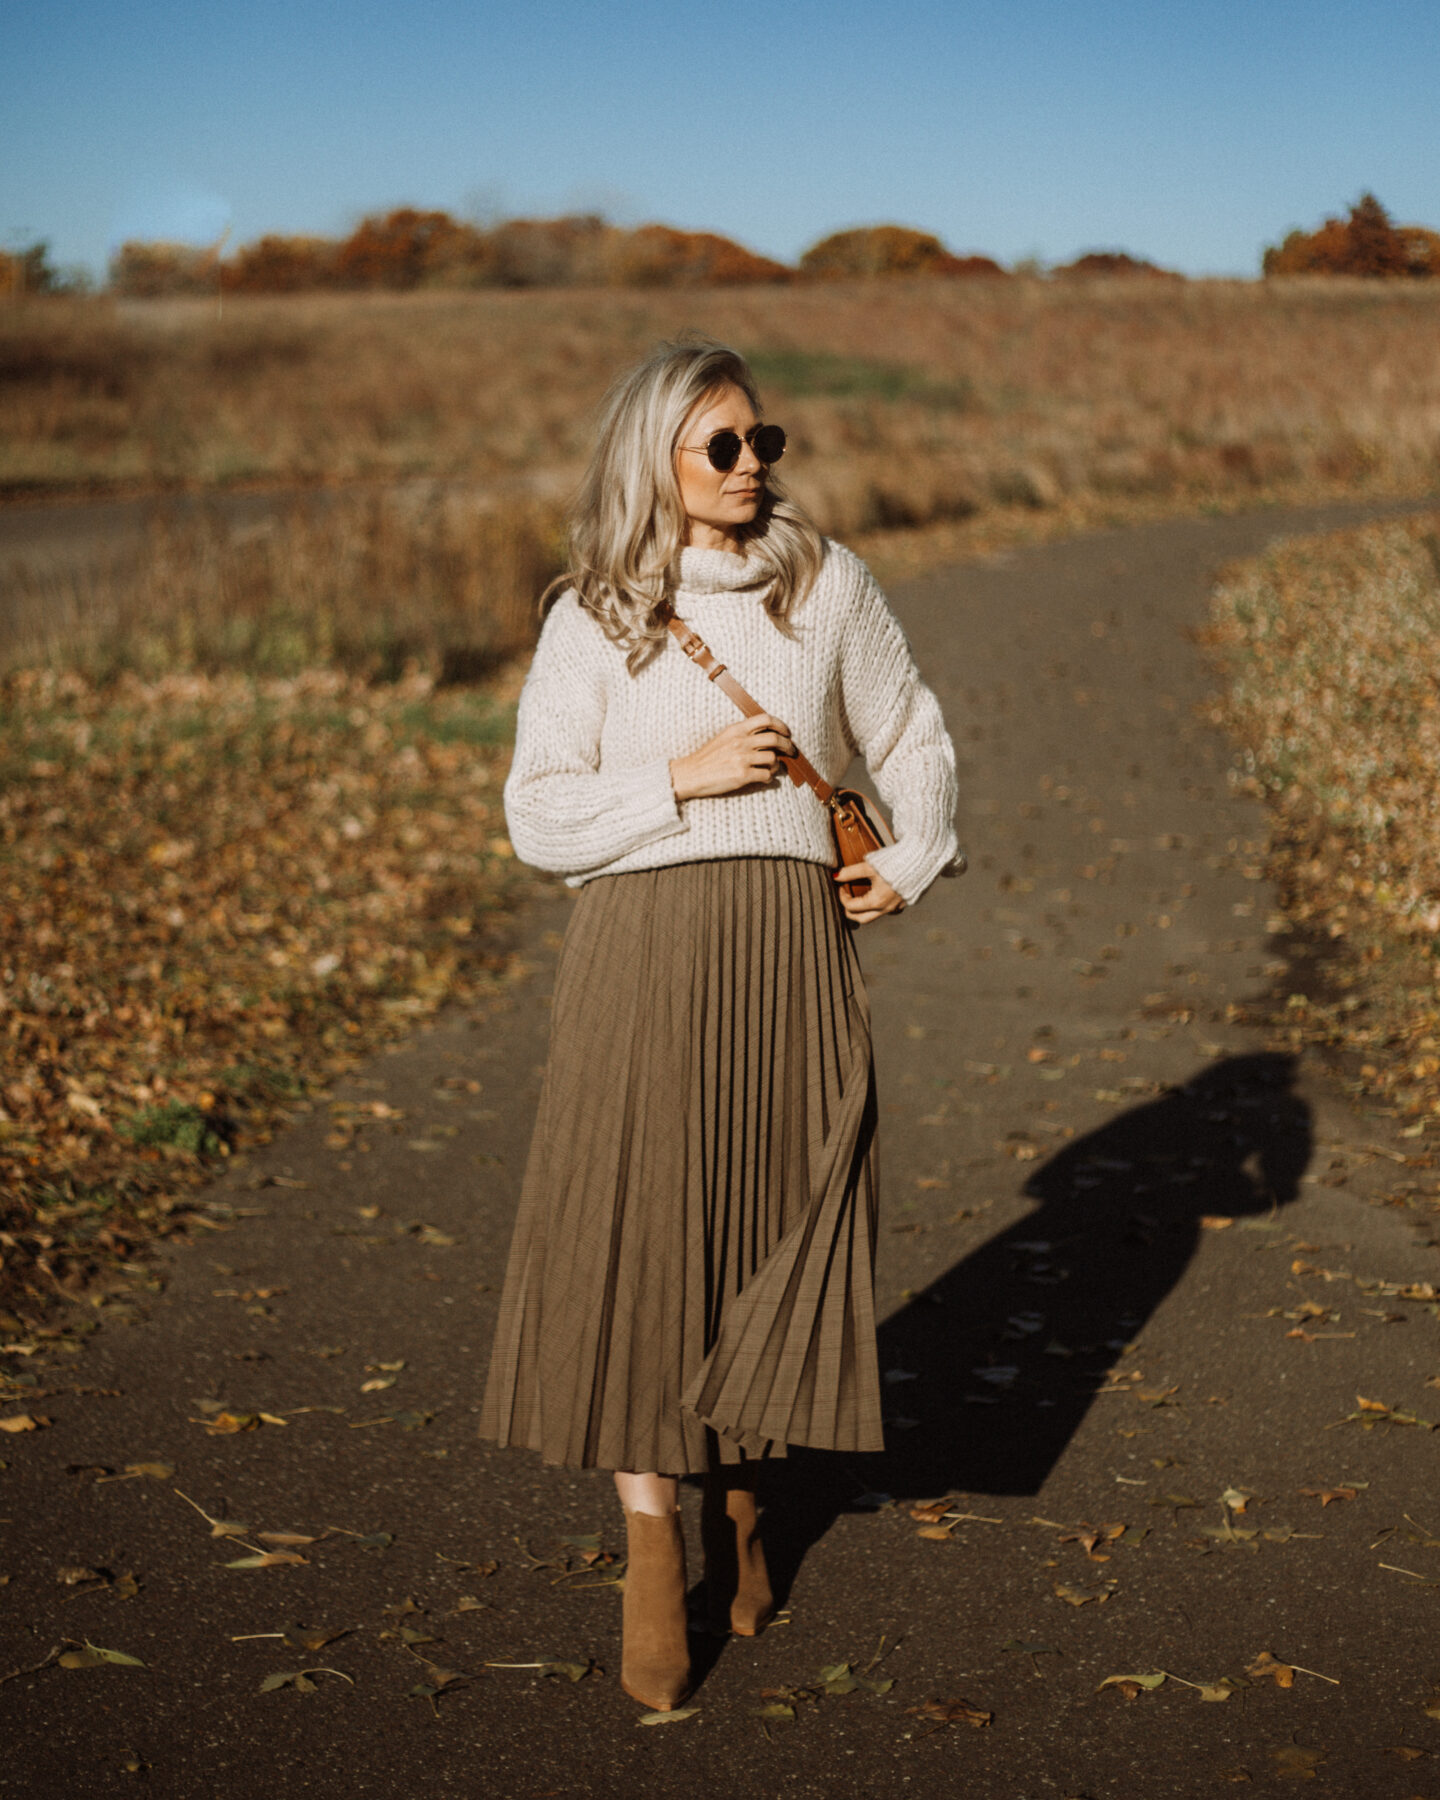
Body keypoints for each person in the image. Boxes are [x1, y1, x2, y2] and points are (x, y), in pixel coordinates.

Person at [478, 337, 959, 1711]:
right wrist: (678, 782)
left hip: (792, 952)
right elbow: (537, 814)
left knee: (776, 1220)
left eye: (766, 443)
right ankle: (648, 1536)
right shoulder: (595, 615)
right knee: (643, 1236)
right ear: (657, 463)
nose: (754, 469)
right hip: (642, 957)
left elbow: (909, 730)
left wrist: (907, 856)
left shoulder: (825, 584)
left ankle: (747, 1488)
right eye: (723, 448)